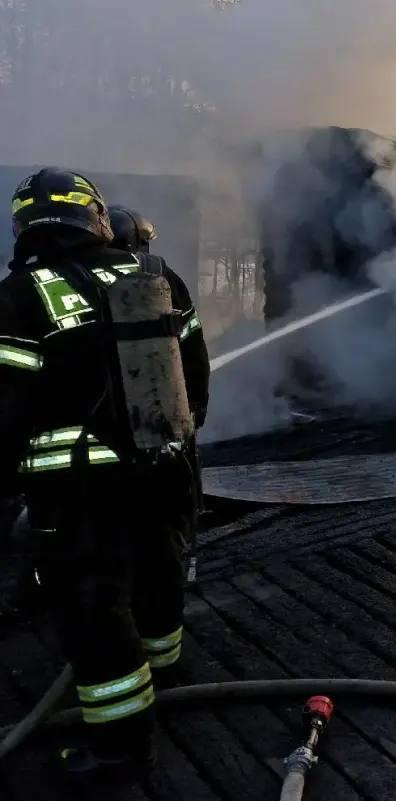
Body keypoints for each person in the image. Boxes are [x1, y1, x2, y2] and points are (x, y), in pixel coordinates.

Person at [0, 169, 209, 784]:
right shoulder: (156, 275)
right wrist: (178, 439)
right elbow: (194, 371)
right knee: (159, 570)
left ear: (24, 226)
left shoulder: (18, 296)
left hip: (81, 488)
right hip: (166, 464)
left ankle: (121, 747)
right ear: (93, 216)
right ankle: (164, 670)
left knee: (94, 608)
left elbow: (7, 408)